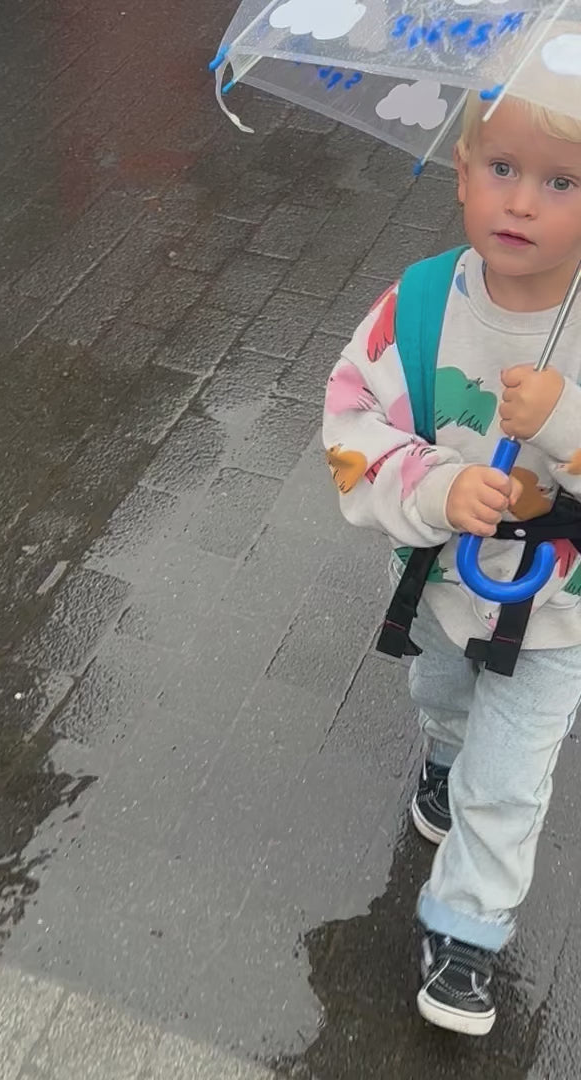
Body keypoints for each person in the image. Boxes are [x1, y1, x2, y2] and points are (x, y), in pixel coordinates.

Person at [322, 88, 581, 1035]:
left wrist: (562, 423)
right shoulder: (421, 303)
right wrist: (437, 489)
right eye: (503, 169)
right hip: (441, 584)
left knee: (509, 773)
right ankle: (440, 754)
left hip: (559, 612)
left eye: (561, 182)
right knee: (444, 699)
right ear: (462, 169)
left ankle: (467, 921)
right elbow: (350, 425)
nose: (521, 202)